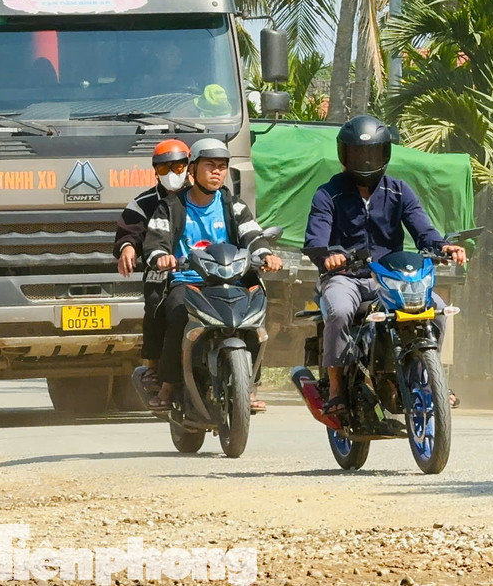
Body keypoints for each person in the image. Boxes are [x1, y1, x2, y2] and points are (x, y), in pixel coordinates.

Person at [303, 115, 467, 423]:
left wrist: (444, 247)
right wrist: (328, 257)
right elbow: (316, 238)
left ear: (385, 154)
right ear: (344, 155)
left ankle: (430, 379)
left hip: (389, 276)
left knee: (437, 308)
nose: (365, 160)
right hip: (346, 277)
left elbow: (424, 232)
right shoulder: (328, 194)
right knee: (338, 311)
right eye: (357, 153)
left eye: (372, 153)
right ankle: (336, 387)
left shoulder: (400, 192)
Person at [142, 138, 283, 411]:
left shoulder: (234, 205)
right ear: (192, 170)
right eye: (210, 165)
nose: (217, 172)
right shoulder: (171, 207)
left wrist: (265, 255)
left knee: (254, 321)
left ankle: (249, 386)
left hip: (231, 282)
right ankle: (169, 385)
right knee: (178, 315)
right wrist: (161, 257)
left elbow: (252, 235)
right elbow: (155, 241)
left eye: (222, 166)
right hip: (189, 283)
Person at [113, 139, 191, 394]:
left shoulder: (206, 197)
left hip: (206, 271)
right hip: (164, 270)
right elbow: (129, 231)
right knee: (156, 304)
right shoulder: (143, 202)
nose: (172, 174)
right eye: (164, 168)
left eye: (178, 167)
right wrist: (127, 247)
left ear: (189, 167)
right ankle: (154, 366)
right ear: (155, 170)